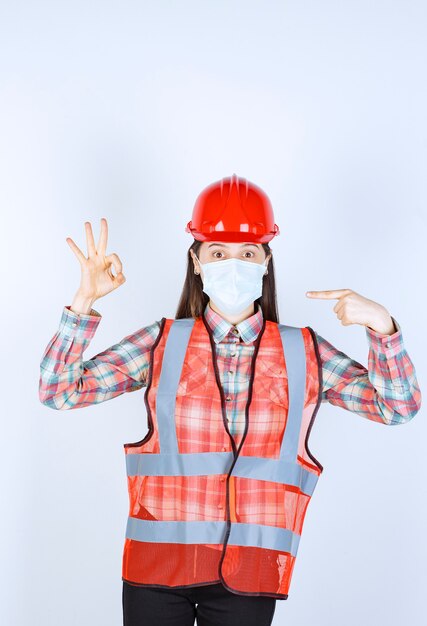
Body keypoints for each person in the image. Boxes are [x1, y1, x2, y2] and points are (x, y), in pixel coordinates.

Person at [39, 174, 421, 626]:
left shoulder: (304, 352)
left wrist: (382, 326)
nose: (233, 264)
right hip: (156, 569)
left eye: (247, 253)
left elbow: (397, 407)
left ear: (266, 261)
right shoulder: (162, 342)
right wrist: (83, 301)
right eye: (218, 253)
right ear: (197, 263)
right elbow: (58, 391)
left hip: (251, 571)